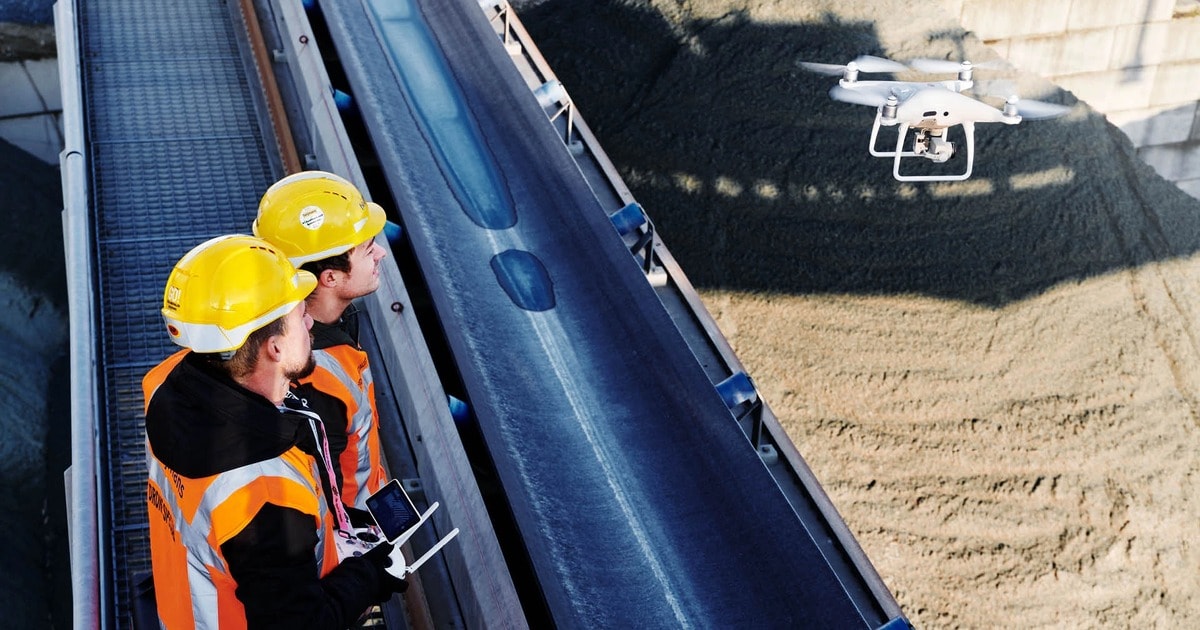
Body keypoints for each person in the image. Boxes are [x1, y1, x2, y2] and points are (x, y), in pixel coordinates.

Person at [142, 234, 407, 629]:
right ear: (276, 348)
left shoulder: (165, 385)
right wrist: (369, 576)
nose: (310, 323)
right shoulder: (266, 499)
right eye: (300, 316)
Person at [252, 170, 390, 526]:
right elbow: (321, 497)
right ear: (329, 277)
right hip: (353, 529)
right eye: (368, 248)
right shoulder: (309, 379)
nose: (381, 253)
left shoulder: (332, 323)